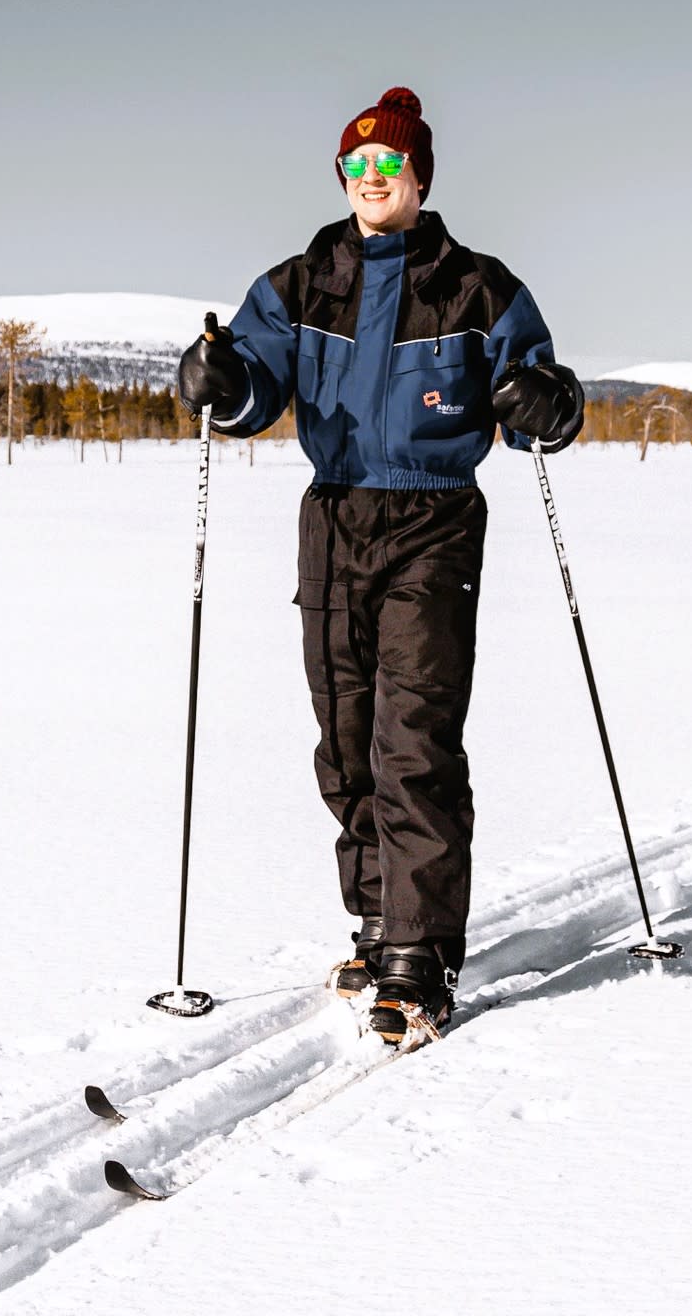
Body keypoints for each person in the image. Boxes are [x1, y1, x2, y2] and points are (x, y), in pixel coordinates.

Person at [175, 86, 583, 1046]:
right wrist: (220, 381)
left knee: (414, 736)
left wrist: (541, 400)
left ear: (419, 176)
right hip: (334, 515)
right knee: (345, 732)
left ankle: (422, 949)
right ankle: (374, 915)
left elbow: (548, 405)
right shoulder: (300, 283)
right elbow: (251, 389)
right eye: (355, 166)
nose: (370, 179)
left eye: (387, 165)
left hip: (434, 520)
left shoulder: (479, 287)